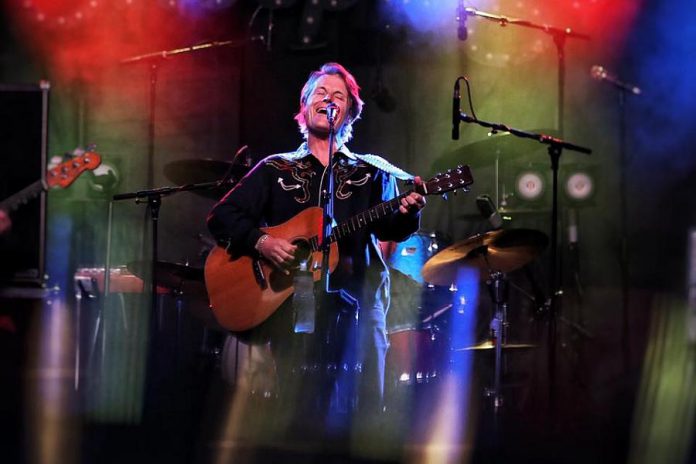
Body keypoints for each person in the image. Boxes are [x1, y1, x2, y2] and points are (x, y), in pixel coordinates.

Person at [207, 63, 426, 430]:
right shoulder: (276, 168)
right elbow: (221, 217)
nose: (329, 100)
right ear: (305, 106)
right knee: (297, 411)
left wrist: (409, 211)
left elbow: (395, 228)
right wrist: (262, 242)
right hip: (294, 304)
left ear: (351, 111)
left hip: (361, 297)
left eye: (339, 96)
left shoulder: (371, 171)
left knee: (365, 409)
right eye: (321, 93)